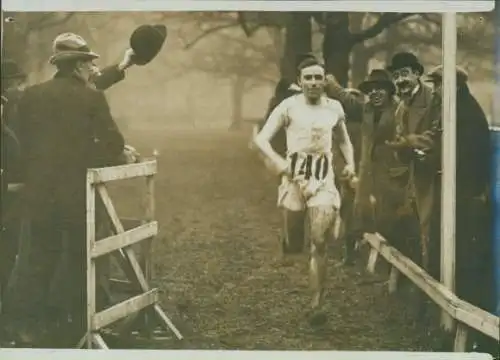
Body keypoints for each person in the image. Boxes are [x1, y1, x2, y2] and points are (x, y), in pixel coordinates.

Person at [0, 32, 126, 347]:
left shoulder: (31, 96)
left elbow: (22, 145)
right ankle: (70, 326)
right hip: (76, 196)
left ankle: (24, 327)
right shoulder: (92, 97)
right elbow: (113, 147)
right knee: (79, 260)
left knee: (37, 259)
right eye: (89, 63)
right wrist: (91, 155)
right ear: (80, 66)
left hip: (39, 195)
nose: (92, 70)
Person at [253, 57, 356, 323]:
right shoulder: (288, 106)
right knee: (295, 240)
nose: (313, 83)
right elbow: (262, 139)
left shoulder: (334, 107)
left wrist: (351, 165)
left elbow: (343, 140)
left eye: (317, 78)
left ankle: (317, 304)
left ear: (324, 81)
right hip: (293, 177)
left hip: (323, 179)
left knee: (319, 242)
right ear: (299, 82)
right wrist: (278, 163)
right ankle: (289, 238)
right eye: (307, 78)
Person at [426, 65, 495, 353]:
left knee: (467, 265)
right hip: (457, 196)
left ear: (452, 85)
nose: (436, 91)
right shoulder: (454, 111)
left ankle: (471, 332)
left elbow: (466, 161)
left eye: (439, 85)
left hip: (466, 201)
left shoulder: (466, 115)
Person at [325, 69, 409, 265]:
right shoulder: (367, 110)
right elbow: (348, 100)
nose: (375, 93)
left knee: (392, 222)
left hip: (394, 176)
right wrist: (331, 83)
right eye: (371, 90)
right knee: (359, 214)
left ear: (389, 92)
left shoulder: (399, 110)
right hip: (369, 175)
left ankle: (393, 269)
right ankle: (363, 256)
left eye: (380, 89)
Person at [385, 52, 442, 281]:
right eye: (396, 76)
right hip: (411, 176)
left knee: (430, 229)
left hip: (432, 175)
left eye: (404, 74)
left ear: (417, 74)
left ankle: (432, 285)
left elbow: (435, 136)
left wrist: (409, 144)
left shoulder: (432, 99)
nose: (400, 81)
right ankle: (414, 281)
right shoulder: (400, 108)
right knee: (410, 226)